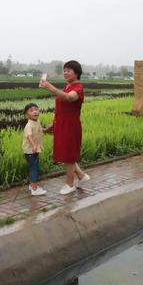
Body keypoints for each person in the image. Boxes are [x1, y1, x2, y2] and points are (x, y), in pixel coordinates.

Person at [40, 60, 90, 195]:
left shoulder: (78, 88)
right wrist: (53, 123)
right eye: (64, 70)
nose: (65, 73)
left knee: (68, 156)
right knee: (66, 153)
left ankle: (70, 184)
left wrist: (50, 88)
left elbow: (69, 98)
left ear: (77, 73)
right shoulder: (67, 87)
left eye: (69, 70)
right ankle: (81, 175)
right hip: (62, 123)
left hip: (70, 125)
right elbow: (60, 108)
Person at [23, 103, 46, 196]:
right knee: (34, 169)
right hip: (30, 151)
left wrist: (46, 130)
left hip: (34, 150)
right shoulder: (29, 125)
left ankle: (32, 185)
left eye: (36, 109)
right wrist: (33, 145)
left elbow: (40, 130)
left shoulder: (37, 121)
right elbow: (29, 136)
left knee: (34, 168)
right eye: (31, 110)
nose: (35, 112)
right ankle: (35, 189)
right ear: (26, 114)